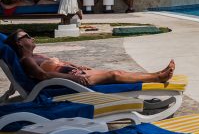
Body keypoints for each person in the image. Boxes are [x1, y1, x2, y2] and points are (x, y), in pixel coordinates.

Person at [5, 29, 175, 86]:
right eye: (27, 36)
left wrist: (78, 65)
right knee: (114, 75)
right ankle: (158, 77)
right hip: (70, 78)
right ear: (19, 43)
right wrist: (72, 77)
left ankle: (156, 74)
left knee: (119, 71)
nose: (31, 37)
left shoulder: (35, 56)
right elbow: (43, 75)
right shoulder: (26, 60)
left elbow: (57, 64)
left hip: (73, 72)